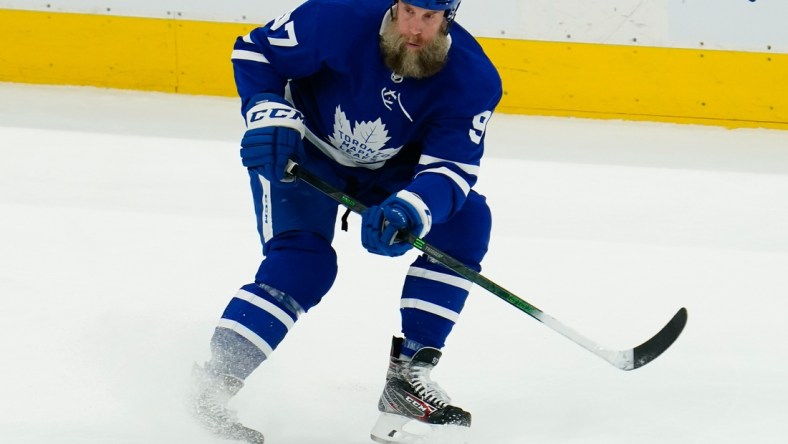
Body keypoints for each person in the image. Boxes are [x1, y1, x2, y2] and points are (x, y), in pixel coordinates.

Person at [189, 0, 502, 442]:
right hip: (302, 154)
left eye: (429, 18)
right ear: (395, 4)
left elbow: (450, 169)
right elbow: (257, 51)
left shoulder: (473, 78)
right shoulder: (336, 17)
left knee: (467, 222)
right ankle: (211, 387)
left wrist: (409, 208)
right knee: (304, 265)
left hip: (391, 172)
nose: (414, 28)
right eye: (409, 12)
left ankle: (408, 377)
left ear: (448, 18)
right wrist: (267, 111)